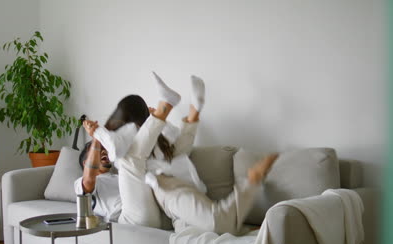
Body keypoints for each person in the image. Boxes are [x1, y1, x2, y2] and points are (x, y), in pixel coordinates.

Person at [75, 72, 278, 234]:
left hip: (163, 209)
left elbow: (176, 152)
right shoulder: (87, 184)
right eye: (94, 153)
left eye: (102, 150)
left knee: (161, 155)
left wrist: (147, 124)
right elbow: (88, 180)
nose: (102, 153)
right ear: (84, 162)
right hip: (133, 219)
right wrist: (96, 137)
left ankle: (187, 113)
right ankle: (166, 108)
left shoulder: (125, 174)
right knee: (129, 159)